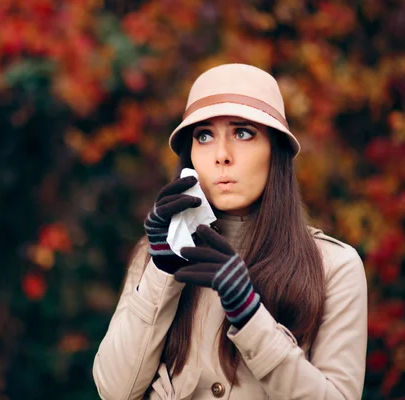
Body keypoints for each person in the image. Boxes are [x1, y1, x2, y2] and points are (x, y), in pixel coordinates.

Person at [92, 64, 368, 399]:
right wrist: (162, 272)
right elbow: (114, 390)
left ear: (275, 150)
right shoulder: (157, 252)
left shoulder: (333, 266)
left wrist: (250, 315)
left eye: (243, 132)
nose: (222, 155)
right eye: (204, 136)